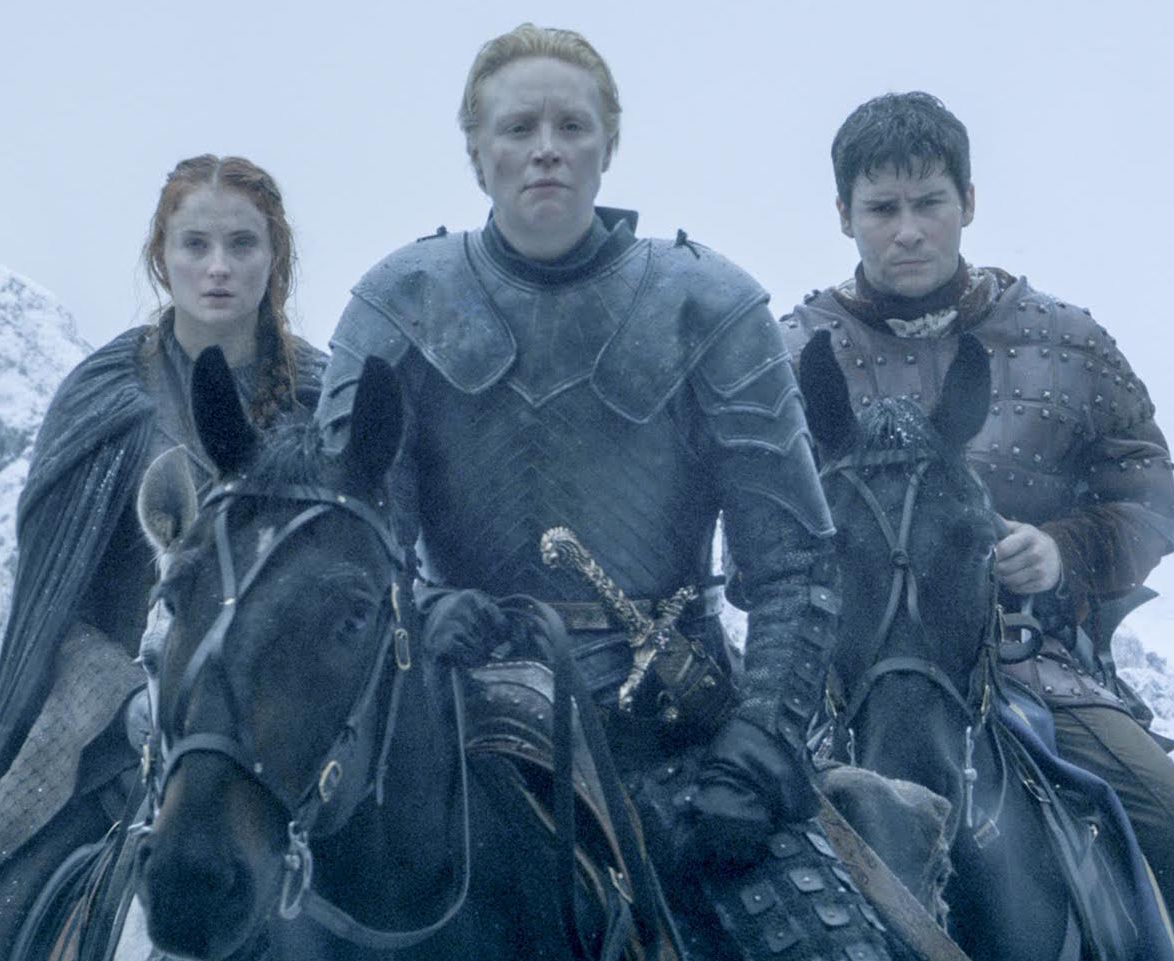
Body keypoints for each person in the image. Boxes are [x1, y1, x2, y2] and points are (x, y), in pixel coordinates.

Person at [317, 23, 898, 960]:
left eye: (571, 126)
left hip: (672, 743)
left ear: (607, 144)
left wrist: (757, 750)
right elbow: (346, 546)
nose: (545, 148)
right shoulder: (397, 304)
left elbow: (794, 565)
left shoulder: (710, 305)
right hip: (450, 740)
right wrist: (420, 609)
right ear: (477, 151)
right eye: (518, 128)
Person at [779, 91, 1174, 960]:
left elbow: (1147, 499)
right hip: (834, 679)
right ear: (844, 214)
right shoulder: (788, 351)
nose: (908, 230)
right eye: (882, 208)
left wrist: (1061, 551)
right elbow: (748, 523)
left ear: (968, 202)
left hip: (1033, 664)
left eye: (930, 202)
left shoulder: (1064, 341)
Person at [0, 155, 328, 961]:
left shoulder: (322, 400)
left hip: (282, 732)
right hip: (107, 724)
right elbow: (51, 608)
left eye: (242, 244)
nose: (218, 266)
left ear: (275, 256)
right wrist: (131, 698)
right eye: (195, 243)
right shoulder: (104, 399)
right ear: (160, 255)